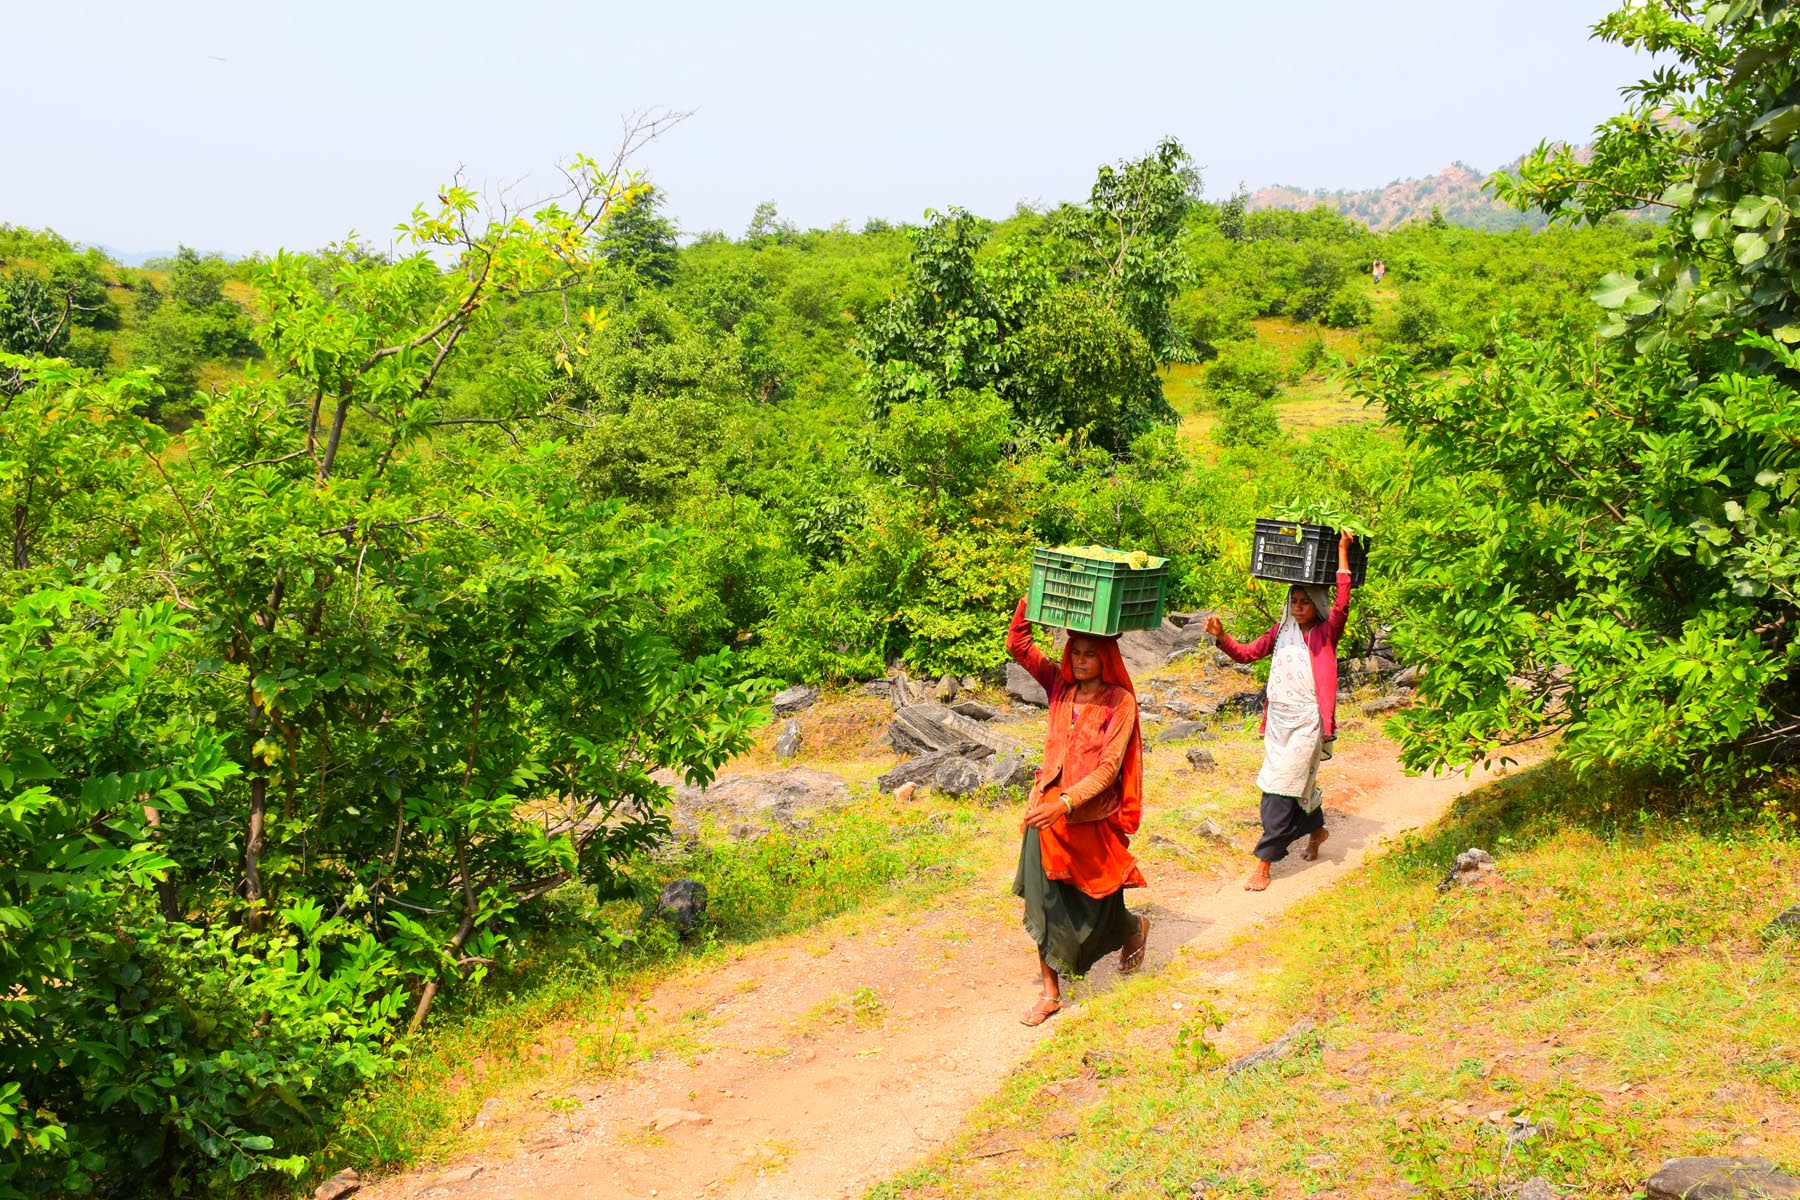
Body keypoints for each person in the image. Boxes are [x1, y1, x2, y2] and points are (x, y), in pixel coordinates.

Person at [1005, 598, 1151, 1027]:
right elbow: (1018, 645)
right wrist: (1031, 601)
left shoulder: (1120, 703)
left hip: (1088, 818)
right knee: (1043, 901)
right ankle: (1051, 992)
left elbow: (1108, 769)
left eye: (1091, 653)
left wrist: (1066, 803)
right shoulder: (1058, 687)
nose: (1082, 661)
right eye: (1077, 653)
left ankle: (1132, 928)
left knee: (1097, 902)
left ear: (1106, 658)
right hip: (1043, 814)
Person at [1203, 530, 1355, 892]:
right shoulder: (1281, 630)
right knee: (1293, 782)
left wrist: (1342, 553)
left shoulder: (1324, 632)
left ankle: (1264, 862)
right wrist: (1222, 637)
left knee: (1278, 787)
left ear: (1315, 605)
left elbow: (1342, 605)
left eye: (1305, 601)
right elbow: (1247, 653)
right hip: (1279, 720)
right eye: (1294, 600)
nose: (1299, 606)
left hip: (1307, 721)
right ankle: (1317, 829)